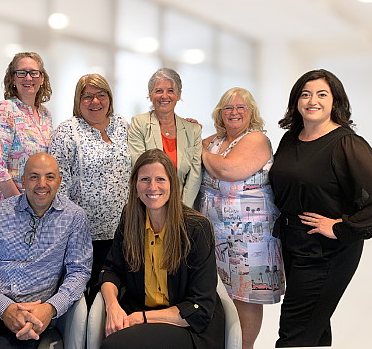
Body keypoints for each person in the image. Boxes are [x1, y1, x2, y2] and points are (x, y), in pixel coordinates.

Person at [269, 69, 372, 347]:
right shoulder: (291, 138)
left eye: (321, 94)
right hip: (292, 246)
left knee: (294, 333)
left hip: (326, 253)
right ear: (296, 101)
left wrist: (341, 227)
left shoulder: (347, 143)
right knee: (313, 329)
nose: (312, 100)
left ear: (335, 101)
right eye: (305, 94)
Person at [0, 153, 92, 348]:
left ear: (59, 181)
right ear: (23, 180)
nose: (42, 184)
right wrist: (4, 307)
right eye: (34, 177)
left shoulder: (74, 218)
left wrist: (50, 308)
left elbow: (79, 272)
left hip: (33, 310)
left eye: (49, 177)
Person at [99, 149, 225, 349]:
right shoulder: (130, 218)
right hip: (140, 313)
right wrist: (112, 306)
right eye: (145, 179)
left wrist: (142, 318)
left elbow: (200, 307)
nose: (152, 187)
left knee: (115, 346)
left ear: (172, 184)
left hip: (187, 325)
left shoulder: (197, 228)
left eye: (160, 179)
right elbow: (112, 270)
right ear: (135, 184)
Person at [195, 87, 284, 349]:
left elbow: (228, 169)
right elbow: (187, 147)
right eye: (228, 108)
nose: (234, 112)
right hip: (215, 234)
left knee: (246, 296)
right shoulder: (214, 141)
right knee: (219, 294)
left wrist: (198, 151)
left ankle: (244, 347)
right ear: (220, 113)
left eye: (241, 107)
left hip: (251, 237)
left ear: (251, 113)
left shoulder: (256, 139)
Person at [49, 73, 130, 305]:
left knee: (119, 298)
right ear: (78, 101)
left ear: (109, 98)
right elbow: (57, 183)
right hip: (84, 235)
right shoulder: (68, 131)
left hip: (122, 233)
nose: (95, 101)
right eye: (88, 96)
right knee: (89, 299)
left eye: (101, 95)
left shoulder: (122, 125)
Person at [128, 68, 202, 208]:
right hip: (148, 202)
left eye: (170, 91)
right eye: (159, 91)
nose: (164, 96)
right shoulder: (139, 123)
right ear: (150, 95)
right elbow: (140, 167)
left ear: (178, 95)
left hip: (182, 206)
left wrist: (182, 209)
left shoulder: (193, 130)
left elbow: (195, 175)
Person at [0, 52, 53, 206]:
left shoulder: (45, 114)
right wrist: (21, 205)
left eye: (34, 73)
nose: (28, 78)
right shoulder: (5, 110)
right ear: (13, 79)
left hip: (38, 205)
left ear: (42, 79)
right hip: (10, 207)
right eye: (22, 73)